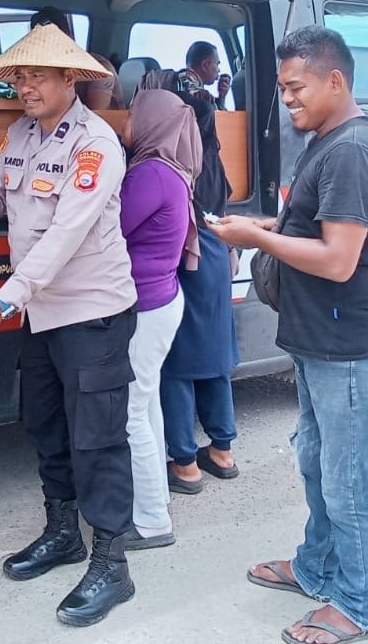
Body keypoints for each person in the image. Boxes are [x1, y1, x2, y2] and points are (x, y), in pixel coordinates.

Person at [212, 26, 368, 644]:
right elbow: (313, 224)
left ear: (335, 80)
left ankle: (356, 604)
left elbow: (338, 259)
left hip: (353, 345)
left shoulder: (351, 151)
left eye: (296, 87)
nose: (287, 99)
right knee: (318, 462)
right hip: (320, 339)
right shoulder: (327, 141)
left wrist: (255, 238)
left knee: (350, 478)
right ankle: (317, 567)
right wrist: (265, 224)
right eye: (282, 88)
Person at [0, 23, 139, 627]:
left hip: (92, 313)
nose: (25, 86)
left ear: (68, 78)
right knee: (46, 423)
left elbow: (63, 238)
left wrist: (2, 303)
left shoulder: (95, 145)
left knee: (97, 438)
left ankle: (112, 562)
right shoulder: (19, 134)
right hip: (43, 313)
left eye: (37, 76)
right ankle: (63, 533)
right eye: (20, 76)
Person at [116, 88, 203, 550]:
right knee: (146, 405)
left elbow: (110, 227)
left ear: (151, 122)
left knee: (132, 412)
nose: (124, 122)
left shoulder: (150, 173)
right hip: (161, 300)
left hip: (146, 307)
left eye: (132, 114)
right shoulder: (172, 169)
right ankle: (153, 502)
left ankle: (151, 521)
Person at [156, 89, 241, 494]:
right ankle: (222, 452)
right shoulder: (214, 160)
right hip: (218, 255)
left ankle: (185, 464)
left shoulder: (176, 162)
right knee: (214, 357)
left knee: (177, 365)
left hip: (187, 258)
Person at [29, 6, 124, 109]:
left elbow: (95, 114)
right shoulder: (47, 71)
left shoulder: (100, 69)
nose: (46, 49)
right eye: (40, 43)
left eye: (52, 41)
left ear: (69, 38)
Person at [176, 40, 231, 110]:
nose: (218, 70)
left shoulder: (177, 81)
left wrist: (221, 97)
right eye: (217, 64)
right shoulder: (201, 96)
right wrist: (220, 103)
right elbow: (216, 116)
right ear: (205, 65)